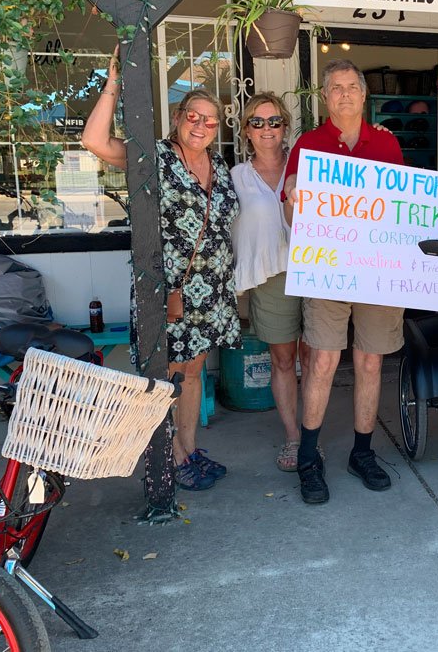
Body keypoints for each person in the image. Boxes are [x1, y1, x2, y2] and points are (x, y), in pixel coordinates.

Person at [82, 47, 241, 492]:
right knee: (167, 374)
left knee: (194, 373)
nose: (202, 125)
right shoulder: (154, 157)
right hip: (168, 291)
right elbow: (95, 141)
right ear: (178, 117)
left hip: (211, 293)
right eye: (194, 116)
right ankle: (167, 456)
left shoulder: (221, 167)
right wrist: (112, 82)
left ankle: (188, 450)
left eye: (211, 120)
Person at [282, 59, 404, 505]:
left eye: (352, 86)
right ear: (326, 97)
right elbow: (289, 215)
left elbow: (403, 213)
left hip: (376, 272)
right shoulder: (308, 145)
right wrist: (294, 199)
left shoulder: (387, 144)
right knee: (322, 362)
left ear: (364, 94)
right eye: (336, 87)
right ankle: (309, 459)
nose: (345, 94)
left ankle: (362, 453)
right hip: (328, 267)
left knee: (371, 364)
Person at [231, 92, 309, 472]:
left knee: (316, 359)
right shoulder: (235, 178)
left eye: (274, 121)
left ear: (285, 126)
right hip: (271, 277)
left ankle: (312, 437)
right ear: (246, 130)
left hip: (316, 271)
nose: (266, 129)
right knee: (283, 360)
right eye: (257, 122)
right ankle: (294, 438)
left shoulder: (310, 165)